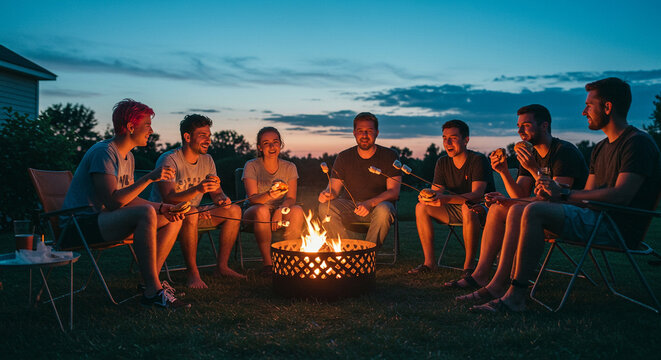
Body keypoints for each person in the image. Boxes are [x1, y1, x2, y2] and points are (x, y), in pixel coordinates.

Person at [471, 77, 661, 313]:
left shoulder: (637, 143)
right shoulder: (601, 147)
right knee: (518, 207)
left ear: (608, 107)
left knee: (533, 209)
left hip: (616, 226)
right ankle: (497, 284)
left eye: (589, 105)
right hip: (593, 217)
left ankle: (515, 296)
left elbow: (622, 195)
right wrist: (559, 195)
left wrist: (563, 194)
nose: (583, 112)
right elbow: (588, 193)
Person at [60, 99, 190, 310]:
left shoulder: (127, 156)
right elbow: (113, 201)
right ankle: (152, 293)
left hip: (102, 221)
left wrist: (163, 207)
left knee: (173, 217)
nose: (151, 130)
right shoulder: (104, 153)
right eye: (147, 125)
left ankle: (151, 283)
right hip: (79, 226)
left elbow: (128, 198)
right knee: (145, 213)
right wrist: (149, 178)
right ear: (131, 127)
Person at [453, 104, 587, 301]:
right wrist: (504, 172)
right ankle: (480, 275)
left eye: (526, 125)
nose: (519, 131)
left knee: (512, 208)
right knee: (499, 209)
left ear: (544, 126)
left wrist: (533, 170)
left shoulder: (563, 152)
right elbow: (521, 193)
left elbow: (555, 196)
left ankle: (500, 283)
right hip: (541, 211)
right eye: (518, 126)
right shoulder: (529, 154)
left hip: (569, 214)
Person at [151, 114, 244, 288]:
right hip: (166, 217)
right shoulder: (169, 160)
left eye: (209, 136)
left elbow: (217, 192)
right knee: (192, 212)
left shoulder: (207, 160)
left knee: (234, 210)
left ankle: (222, 267)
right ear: (187, 137)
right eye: (202, 135)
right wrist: (198, 190)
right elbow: (169, 199)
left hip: (195, 213)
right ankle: (192, 273)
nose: (208, 140)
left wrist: (221, 199)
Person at [409, 119, 495, 276]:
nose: (447, 142)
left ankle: (468, 267)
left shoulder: (477, 160)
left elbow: (477, 195)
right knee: (421, 207)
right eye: (444, 138)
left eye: (453, 138)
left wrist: (443, 199)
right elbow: (436, 193)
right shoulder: (442, 162)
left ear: (466, 140)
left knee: (467, 208)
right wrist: (427, 198)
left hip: (483, 210)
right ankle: (429, 263)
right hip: (456, 210)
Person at [318, 112, 401, 247]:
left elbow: (394, 192)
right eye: (360, 131)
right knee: (325, 208)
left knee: (384, 210)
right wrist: (326, 194)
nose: (364, 135)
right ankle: (346, 252)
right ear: (354, 133)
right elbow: (333, 189)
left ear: (377, 132)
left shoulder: (390, 155)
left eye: (369, 131)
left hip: (378, 206)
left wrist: (369, 203)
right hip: (350, 207)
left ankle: (366, 256)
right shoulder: (344, 157)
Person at [242, 127, 305, 276]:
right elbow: (252, 199)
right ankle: (268, 265)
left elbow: (291, 198)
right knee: (262, 210)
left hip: (279, 211)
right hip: (253, 212)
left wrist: (280, 210)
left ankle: (290, 260)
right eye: (266, 143)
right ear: (259, 147)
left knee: (297, 210)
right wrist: (270, 194)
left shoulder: (289, 167)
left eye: (275, 142)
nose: (271, 146)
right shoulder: (252, 166)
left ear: (280, 144)